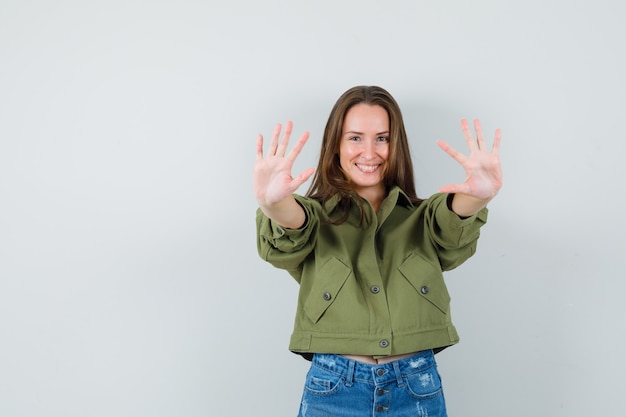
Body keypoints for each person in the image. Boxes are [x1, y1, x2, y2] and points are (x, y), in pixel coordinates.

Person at [254, 85, 502, 417]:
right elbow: (293, 225)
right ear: (336, 146)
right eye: (355, 138)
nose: (369, 152)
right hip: (334, 390)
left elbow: (452, 220)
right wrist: (274, 204)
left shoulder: (422, 217)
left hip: (416, 387)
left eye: (382, 138)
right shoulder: (314, 215)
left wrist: (480, 197)